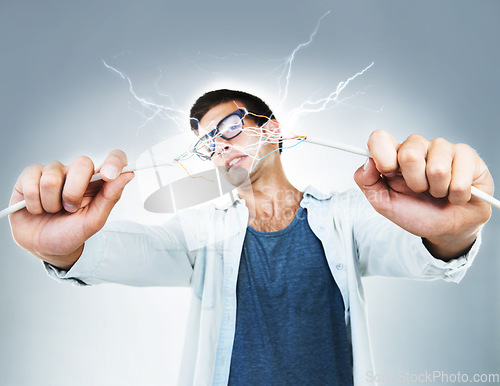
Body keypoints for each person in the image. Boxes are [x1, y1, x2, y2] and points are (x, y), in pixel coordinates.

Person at [9, 89, 494, 385]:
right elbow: (127, 251)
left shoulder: (347, 215)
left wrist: (456, 229)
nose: (221, 146)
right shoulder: (202, 231)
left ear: (273, 130)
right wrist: (66, 246)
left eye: (232, 128)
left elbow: (424, 248)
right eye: (209, 142)